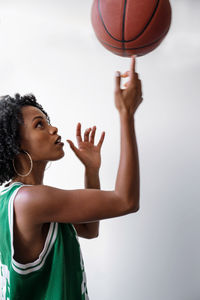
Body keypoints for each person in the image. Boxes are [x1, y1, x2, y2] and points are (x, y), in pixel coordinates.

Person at [0, 55, 143, 300]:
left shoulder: (16, 199)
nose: (53, 129)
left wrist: (91, 171)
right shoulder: (31, 201)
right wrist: (126, 114)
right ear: (15, 144)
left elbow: (89, 229)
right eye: (39, 125)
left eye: (48, 122)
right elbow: (126, 201)